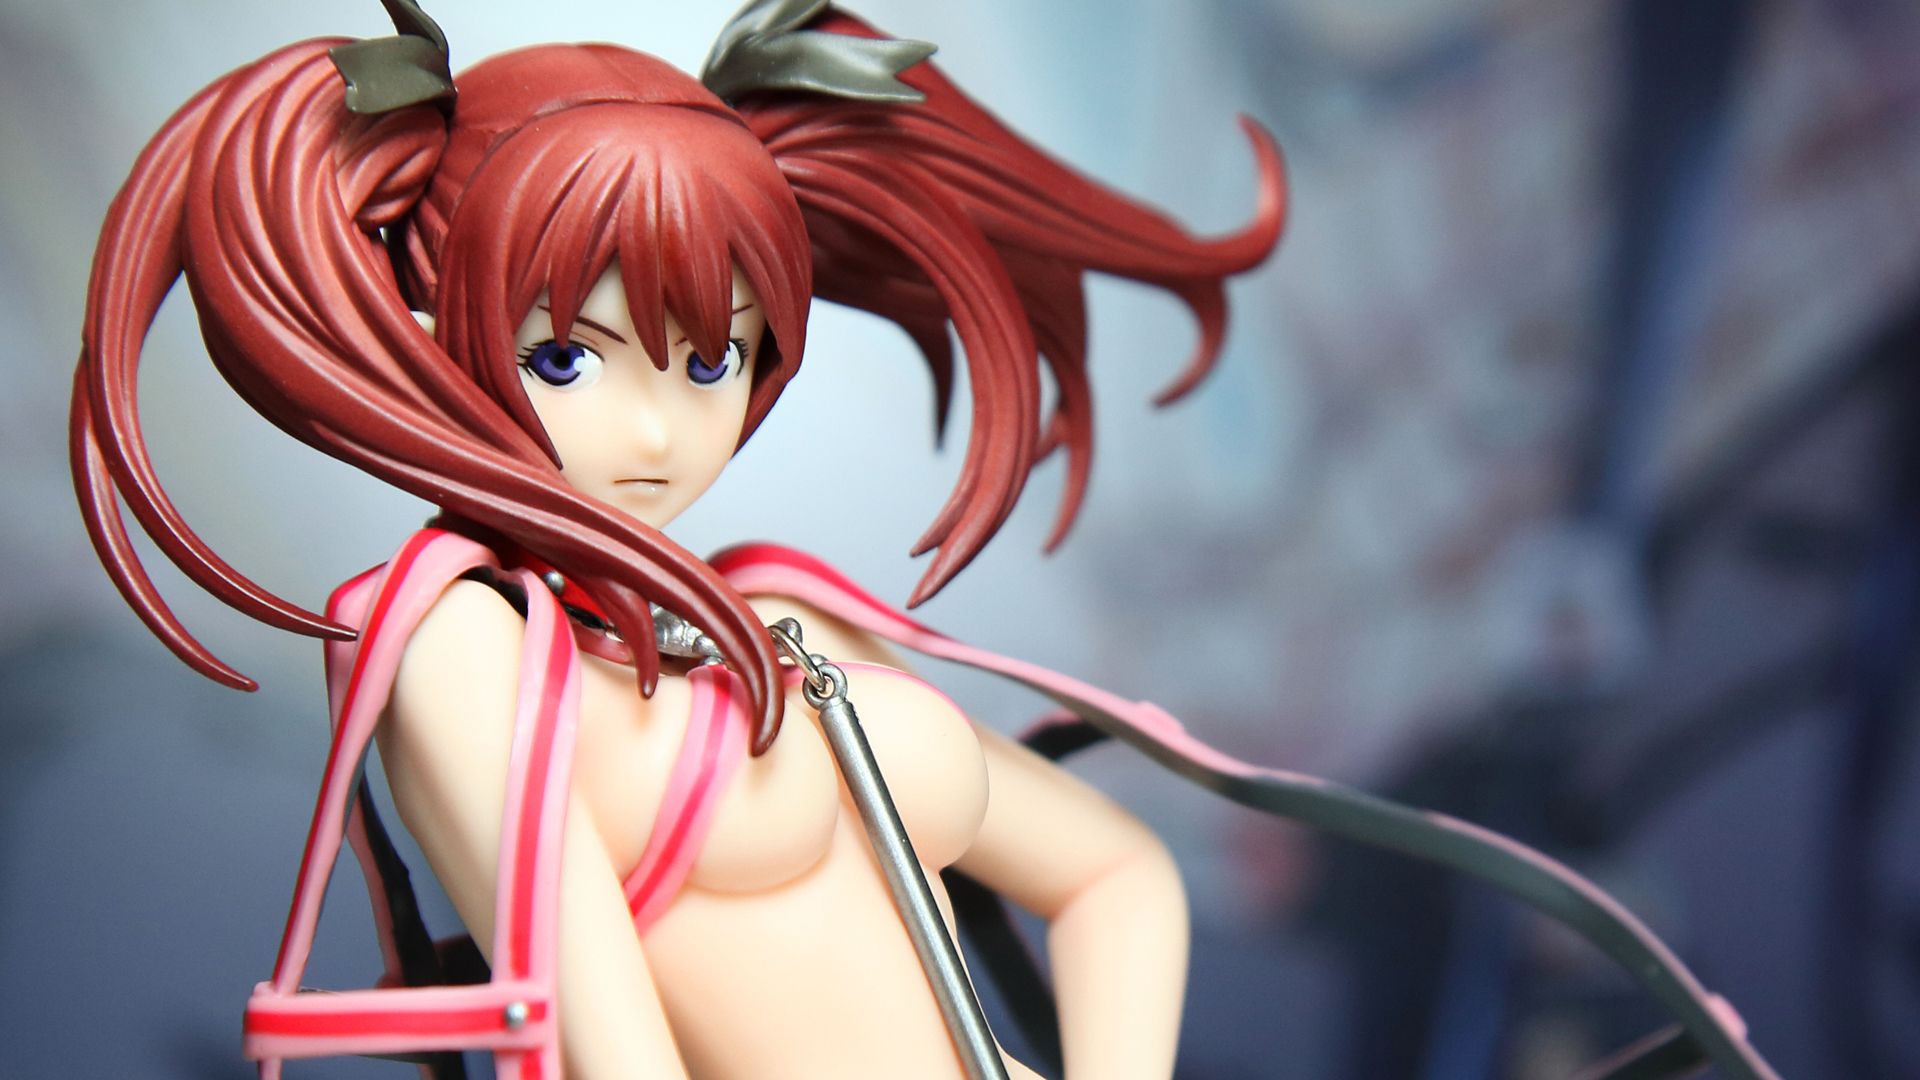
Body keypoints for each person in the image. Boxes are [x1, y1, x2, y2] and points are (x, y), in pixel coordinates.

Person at [71, 4, 1780, 1078]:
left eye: (712, 358)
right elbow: (597, 1040)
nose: (659, 431)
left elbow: (1111, 877)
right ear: (433, 325)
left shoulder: (801, 629)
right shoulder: (452, 640)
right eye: (569, 356)